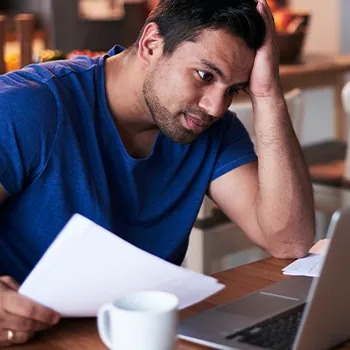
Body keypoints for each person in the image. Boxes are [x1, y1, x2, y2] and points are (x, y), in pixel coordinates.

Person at [0, 0, 315, 346]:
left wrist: (268, 93)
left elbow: (289, 239)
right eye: (204, 75)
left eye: (232, 90)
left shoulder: (209, 127)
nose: (215, 106)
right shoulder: (29, 107)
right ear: (152, 44)